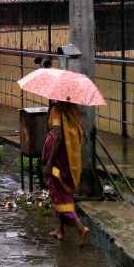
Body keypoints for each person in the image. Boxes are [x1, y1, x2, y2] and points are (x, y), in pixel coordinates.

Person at [41, 101, 90, 244]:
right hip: (67, 158)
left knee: (60, 194)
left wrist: (49, 163)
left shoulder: (57, 109)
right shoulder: (72, 109)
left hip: (58, 160)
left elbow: (57, 135)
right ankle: (60, 230)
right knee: (60, 192)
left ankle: (80, 228)